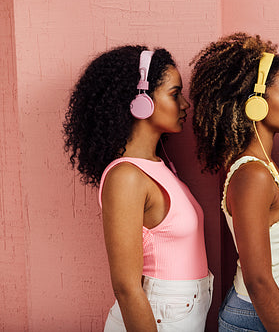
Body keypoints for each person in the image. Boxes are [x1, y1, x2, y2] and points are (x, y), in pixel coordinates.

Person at [63, 45, 212, 331]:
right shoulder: (126, 177)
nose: (185, 104)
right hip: (155, 318)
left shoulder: (160, 165)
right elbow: (127, 288)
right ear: (141, 100)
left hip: (180, 313)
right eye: (174, 93)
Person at [190, 33, 279, 331]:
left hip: (272, 312)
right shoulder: (252, 175)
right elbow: (257, 279)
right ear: (255, 103)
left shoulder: (264, 167)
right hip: (258, 317)